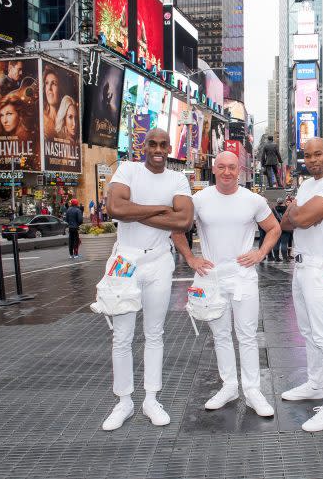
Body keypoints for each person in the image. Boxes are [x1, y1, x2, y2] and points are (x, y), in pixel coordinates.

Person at [172, 151, 280, 418]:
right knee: (220, 335)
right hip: (211, 276)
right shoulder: (198, 200)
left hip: (243, 275)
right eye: (222, 167)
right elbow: (176, 228)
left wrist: (260, 253)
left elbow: (274, 228)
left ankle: (253, 391)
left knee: (247, 335)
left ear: (239, 169)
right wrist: (190, 258)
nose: (227, 172)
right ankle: (229, 386)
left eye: (232, 167)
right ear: (214, 168)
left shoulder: (253, 200)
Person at [101, 128, 194, 431]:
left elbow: (183, 220)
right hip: (125, 261)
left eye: (162, 145)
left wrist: (133, 211)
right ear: (143, 146)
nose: (157, 149)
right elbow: (115, 208)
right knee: (122, 336)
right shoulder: (127, 169)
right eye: (151, 143)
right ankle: (123, 401)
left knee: (155, 334)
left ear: (169, 148)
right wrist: (159, 208)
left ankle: (151, 399)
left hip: (159, 262)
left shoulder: (177, 179)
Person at [279, 137, 323, 432]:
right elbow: (285, 223)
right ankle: (315, 384)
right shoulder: (307, 186)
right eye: (308, 156)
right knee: (307, 332)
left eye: (318, 154)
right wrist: (299, 213)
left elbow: (302, 219)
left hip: (321, 269)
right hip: (301, 266)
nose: (313, 160)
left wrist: (298, 211)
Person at [43, 66, 61, 139]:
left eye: (54, 83)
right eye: (47, 83)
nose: (49, 88)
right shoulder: (40, 118)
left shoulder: (67, 120)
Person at [273, 197, 291, 261]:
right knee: (284, 243)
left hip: (276, 228)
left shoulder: (273, 209)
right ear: (283, 202)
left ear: (277, 202)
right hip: (285, 228)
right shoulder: (287, 209)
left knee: (276, 243)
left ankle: (276, 257)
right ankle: (285, 258)